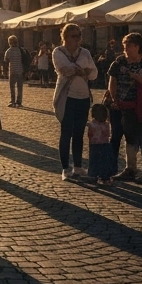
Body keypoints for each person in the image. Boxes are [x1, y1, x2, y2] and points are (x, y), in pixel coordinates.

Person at [106, 32, 142, 184]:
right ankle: (130, 169)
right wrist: (114, 99)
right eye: (125, 46)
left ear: (137, 46)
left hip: (138, 107)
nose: (125, 49)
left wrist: (138, 78)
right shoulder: (120, 61)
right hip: (120, 106)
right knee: (128, 139)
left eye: (128, 46)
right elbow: (112, 81)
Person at [51, 23, 98, 182]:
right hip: (67, 96)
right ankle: (65, 168)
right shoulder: (58, 52)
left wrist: (81, 70)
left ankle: (78, 166)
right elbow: (65, 69)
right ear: (65, 37)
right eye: (74, 36)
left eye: (79, 35)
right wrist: (82, 70)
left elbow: (94, 74)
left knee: (79, 132)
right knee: (66, 132)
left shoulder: (85, 52)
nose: (78, 39)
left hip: (83, 96)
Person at [86, 104, 117, 185]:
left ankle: (92, 176)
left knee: (94, 161)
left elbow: (89, 134)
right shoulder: (107, 124)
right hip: (105, 145)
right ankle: (105, 177)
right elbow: (108, 134)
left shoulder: (91, 124)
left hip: (94, 145)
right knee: (105, 162)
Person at [4, 35, 25, 107]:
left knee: (12, 87)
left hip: (12, 70)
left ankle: (12, 101)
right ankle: (19, 101)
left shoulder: (8, 51)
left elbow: (6, 60)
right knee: (20, 87)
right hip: (20, 70)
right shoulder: (20, 50)